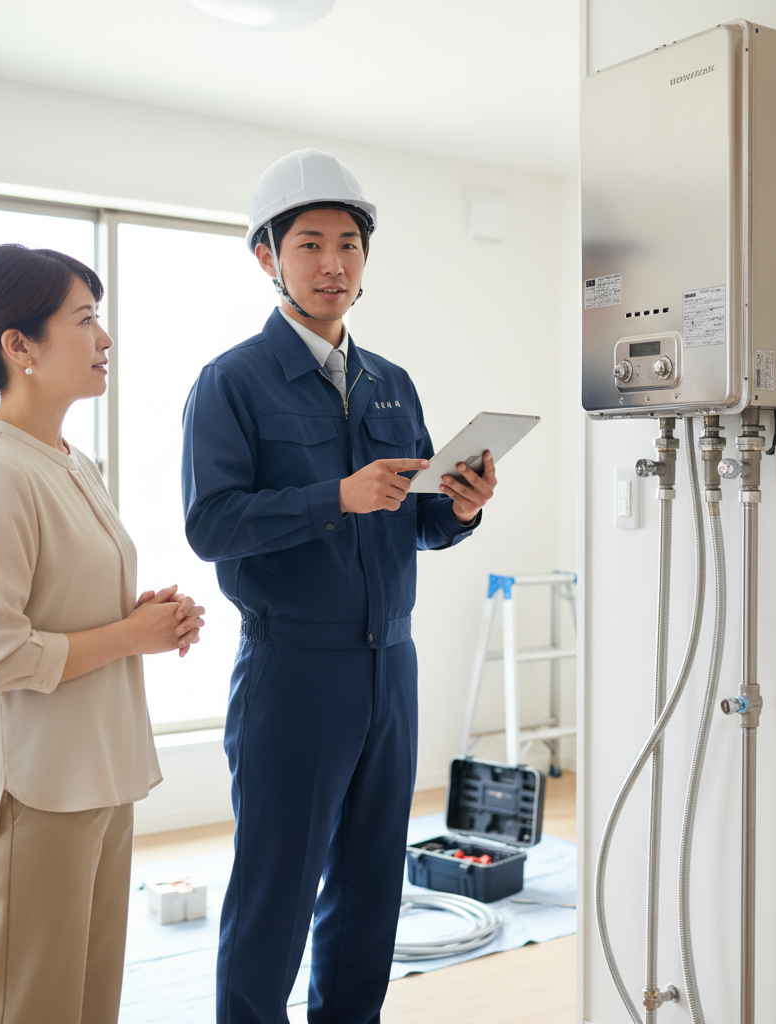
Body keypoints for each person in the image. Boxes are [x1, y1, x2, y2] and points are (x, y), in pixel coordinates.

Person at [182, 149, 497, 1024]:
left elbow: (416, 523)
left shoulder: (391, 384)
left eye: (349, 245)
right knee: (276, 889)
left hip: (391, 666)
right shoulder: (231, 383)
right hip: (294, 669)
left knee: (370, 884)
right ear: (267, 257)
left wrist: (460, 508)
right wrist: (335, 497)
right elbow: (212, 526)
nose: (333, 264)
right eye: (311, 244)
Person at [0, 244, 206, 1024]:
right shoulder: (0, 471)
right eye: (84, 321)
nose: (104, 339)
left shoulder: (76, 462)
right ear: (19, 346)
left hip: (103, 774)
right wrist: (129, 635)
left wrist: (150, 617)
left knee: (92, 1004)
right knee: (34, 1006)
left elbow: (69, 606)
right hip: (40, 788)